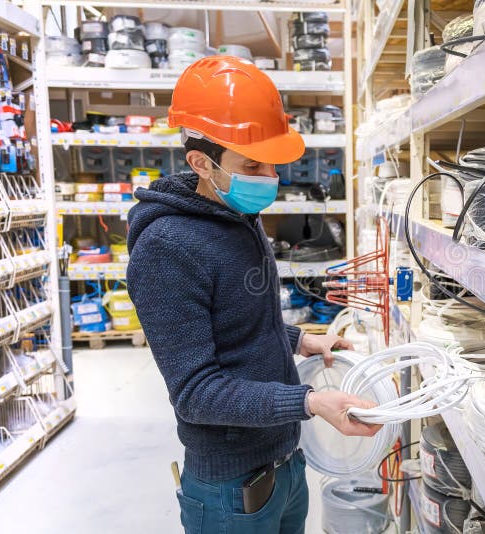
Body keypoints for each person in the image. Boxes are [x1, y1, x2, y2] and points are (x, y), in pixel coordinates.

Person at [126, 56, 380, 534]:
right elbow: (196, 393)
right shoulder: (167, 248)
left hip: (284, 461)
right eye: (252, 164)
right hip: (230, 490)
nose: (269, 176)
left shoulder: (237, 214)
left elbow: (238, 319)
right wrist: (308, 402)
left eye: (271, 162)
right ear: (201, 162)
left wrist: (300, 341)